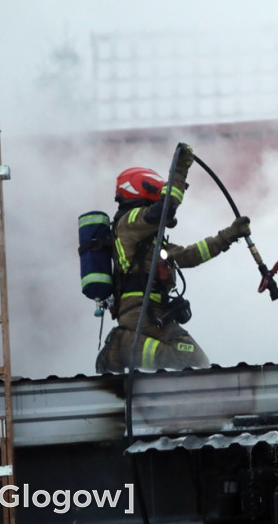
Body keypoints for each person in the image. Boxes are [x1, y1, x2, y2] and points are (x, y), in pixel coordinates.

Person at [95, 144, 251, 372]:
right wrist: (179, 170)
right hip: (139, 311)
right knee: (189, 360)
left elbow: (190, 255)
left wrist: (229, 235)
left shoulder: (151, 241)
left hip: (154, 311)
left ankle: (126, 346)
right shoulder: (128, 221)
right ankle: (122, 347)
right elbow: (165, 210)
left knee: (195, 360)